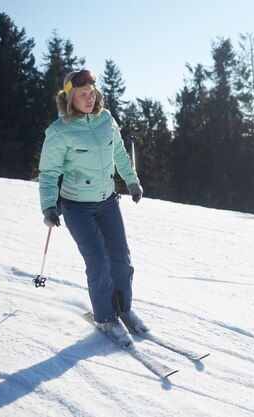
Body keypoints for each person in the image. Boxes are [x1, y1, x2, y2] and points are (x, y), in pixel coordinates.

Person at [38, 69, 147, 344]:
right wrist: (48, 206)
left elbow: (120, 153)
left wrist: (132, 182)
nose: (89, 98)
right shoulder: (59, 131)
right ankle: (106, 318)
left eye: (92, 93)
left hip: (108, 201)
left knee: (121, 259)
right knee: (98, 262)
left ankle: (124, 309)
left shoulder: (106, 119)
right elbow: (49, 172)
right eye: (82, 95)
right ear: (69, 98)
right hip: (77, 207)